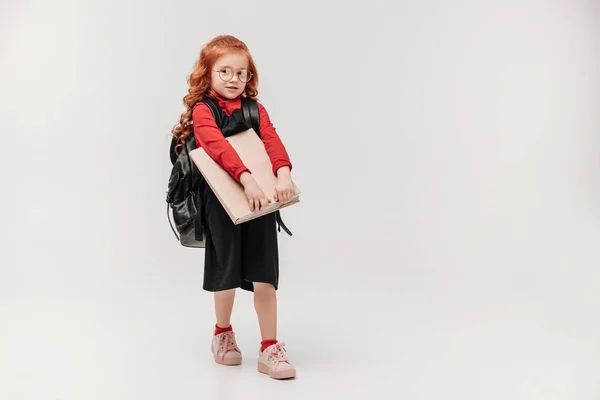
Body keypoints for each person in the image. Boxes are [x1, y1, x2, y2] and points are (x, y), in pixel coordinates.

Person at [171, 34, 296, 380]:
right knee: (225, 270)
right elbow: (214, 147)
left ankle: (269, 346)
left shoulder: (255, 109)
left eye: (241, 73)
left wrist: (283, 175)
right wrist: (247, 178)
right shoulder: (203, 110)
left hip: (261, 203)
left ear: (249, 76)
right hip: (221, 201)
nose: (233, 79)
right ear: (207, 74)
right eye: (224, 71)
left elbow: (271, 140)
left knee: (264, 274)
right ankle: (222, 334)